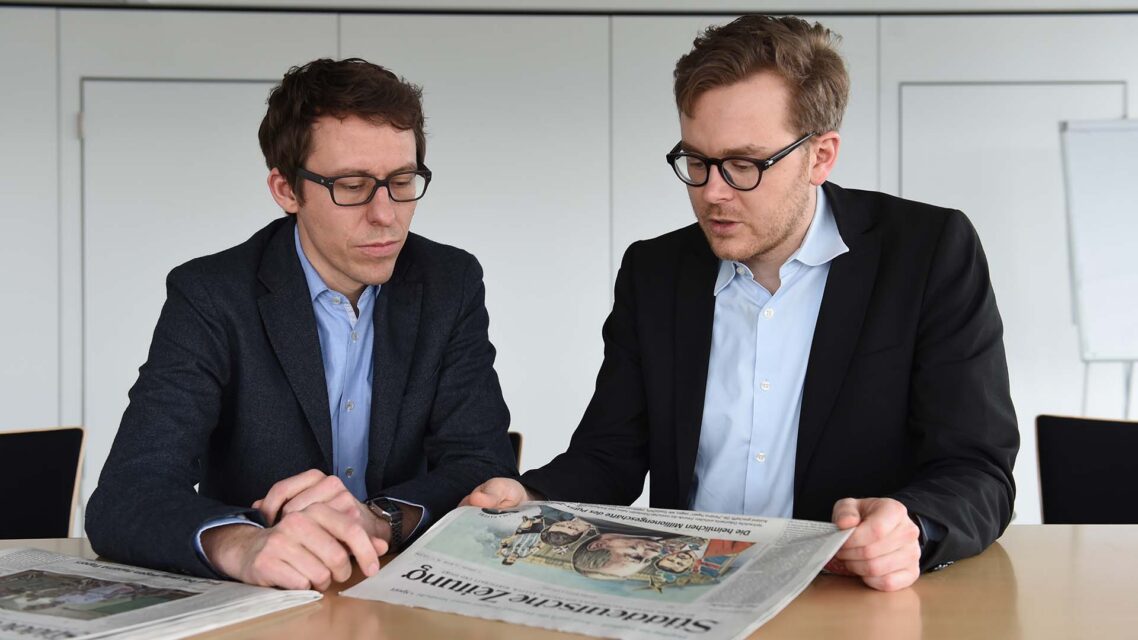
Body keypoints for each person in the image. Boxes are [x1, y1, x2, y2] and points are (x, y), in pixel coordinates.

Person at [463, 15, 1019, 592]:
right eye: (697, 161)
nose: (712, 193)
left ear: (821, 156)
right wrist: (531, 495)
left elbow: (978, 470)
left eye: (745, 165)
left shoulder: (927, 252)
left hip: (843, 596)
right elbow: (611, 452)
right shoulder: (655, 272)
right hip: (682, 593)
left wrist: (915, 527)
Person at [87, 58, 517, 590]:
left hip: (407, 588)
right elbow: (127, 494)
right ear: (287, 190)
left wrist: (378, 518)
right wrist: (243, 546)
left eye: (402, 181)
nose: (386, 214)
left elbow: (483, 464)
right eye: (353, 186)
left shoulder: (450, 282)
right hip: (267, 598)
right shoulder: (211, 294)